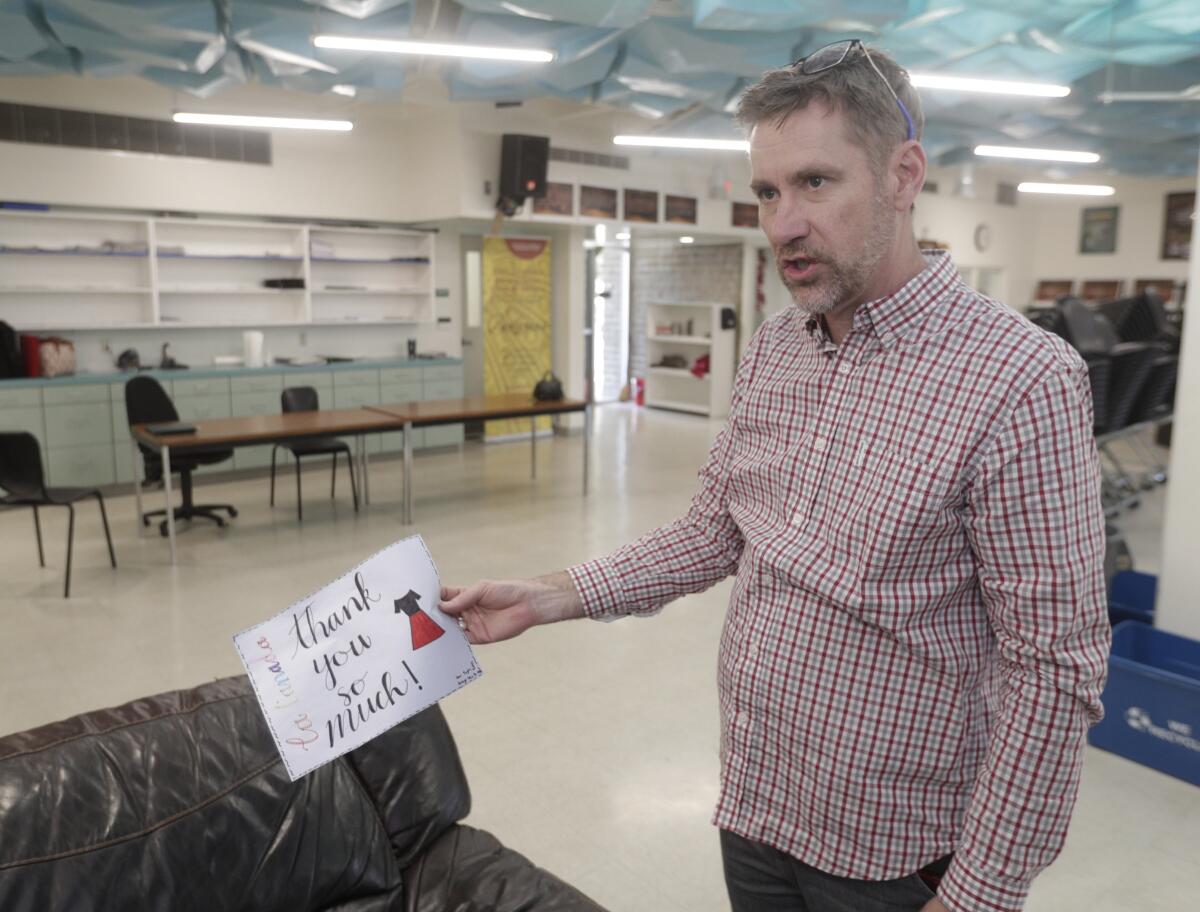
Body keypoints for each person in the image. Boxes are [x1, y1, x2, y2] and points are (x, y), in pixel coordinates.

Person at [441, 40, 1110, 912]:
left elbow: (1053, 669)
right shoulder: (777, 348)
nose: (783, 223)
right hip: (755, 804)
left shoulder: (1020, 379)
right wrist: (548, 594)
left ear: (904, 174)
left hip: (891, 856)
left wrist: (980, 893)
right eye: (767, 191)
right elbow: (715, 531)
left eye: (816, 184)